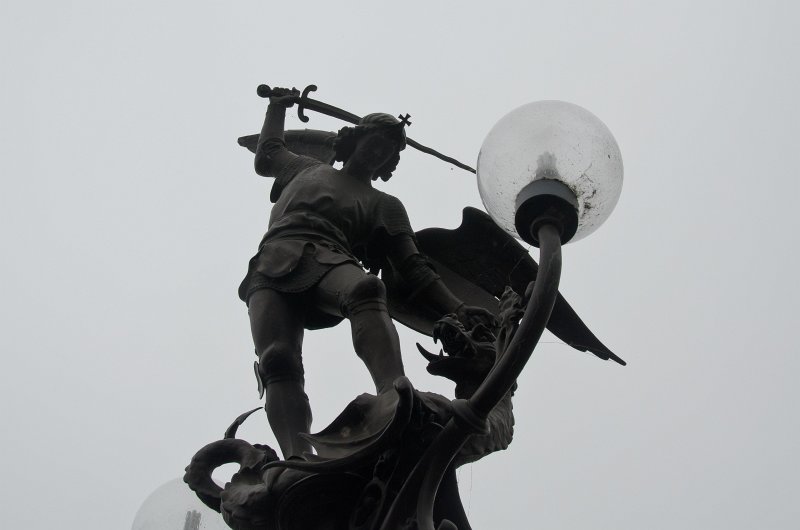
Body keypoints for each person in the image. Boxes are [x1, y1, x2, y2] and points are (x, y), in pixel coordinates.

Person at [239, 87, 494, 460]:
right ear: (355, 139)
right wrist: (276, 108)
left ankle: (393, 394)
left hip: (330, 256)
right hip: (271, 261)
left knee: (366, 289)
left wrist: (456, 307)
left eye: (387, 152)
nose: (378, 153)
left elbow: (413, 266)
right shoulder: (306, 168)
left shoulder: (385, 205)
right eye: (375, 143)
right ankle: (296, 456)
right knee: (278, 359)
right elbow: (267, 156)